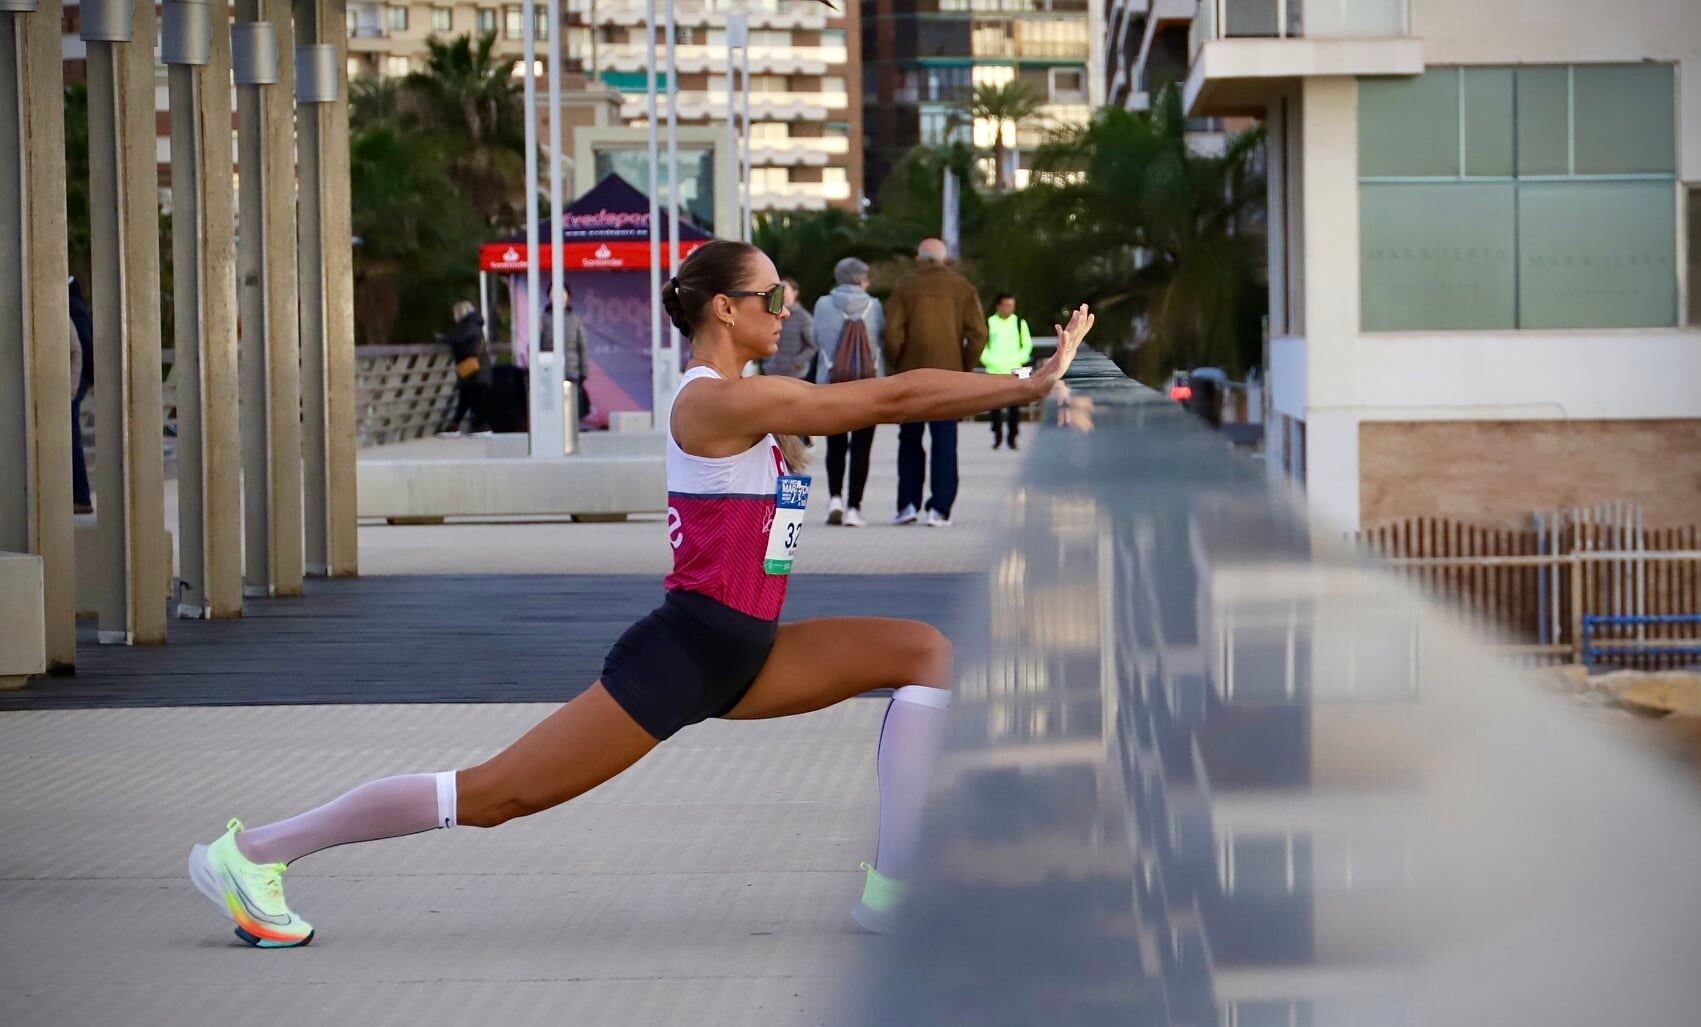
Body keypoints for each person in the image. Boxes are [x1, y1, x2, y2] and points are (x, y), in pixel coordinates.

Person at [185, 238, 1094, 945]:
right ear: (727, 309)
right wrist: (1026, 380)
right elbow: (887, 400)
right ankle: (257, 852)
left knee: (924, 653)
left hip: (751, 652)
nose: (786, 308)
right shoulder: (714, 402)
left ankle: (896, 892)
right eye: (773, 296)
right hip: (686, 653)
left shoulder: (741, 394)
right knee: (497, 794)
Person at [884, 238, 987, 527]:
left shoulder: (905, 287)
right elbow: (978, 333)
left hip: (911, 377)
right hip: (949, 379)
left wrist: (899, 362)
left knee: (909, 441)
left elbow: (892, 332)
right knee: (945, 442)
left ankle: (907, 505)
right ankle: (939, 509)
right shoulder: (963, 288)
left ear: (919, 260)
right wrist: (964, 365)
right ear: (945, 260)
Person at [812, 256, 886, 527]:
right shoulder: (874, 306)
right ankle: (855, 507)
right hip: (868, 386)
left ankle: (834, 499)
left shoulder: (822, 304)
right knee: (862, 448)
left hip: (832, 385)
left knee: (835, 445)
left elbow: (814, 337)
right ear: (861, 280)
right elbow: (880, 340)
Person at [981, 292, 1034, 450]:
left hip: (1015, 371)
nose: (1009, 308)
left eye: (1012, 305)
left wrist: (1020, 358)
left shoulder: (1019, 323)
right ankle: (997, 435)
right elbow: (982, 346)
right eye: (1006, 305)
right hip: (994, 370)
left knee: (1014, 408)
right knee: (995, 407)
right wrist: (989, 360)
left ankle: (1013, 437)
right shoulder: (990, 323)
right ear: (999, 306)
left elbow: (1027, 345)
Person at [540, 283, 591, 428]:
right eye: (553, 292)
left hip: (571, 370)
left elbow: (582, 347)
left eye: (562, 293)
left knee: (571, 406)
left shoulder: (574, 319)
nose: (558, 296)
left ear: (568, 296)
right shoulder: (543, 318)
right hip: (548, 371)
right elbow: (537, 344)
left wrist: (584, 371)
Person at [444, 300, 493, 434]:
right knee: (469, 398)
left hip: (475, 371)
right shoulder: (476, 325)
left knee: (470, 398)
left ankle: (475, 426)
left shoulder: (467, 327)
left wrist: (441, 338)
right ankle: (463, 425)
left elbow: (456, 339)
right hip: (479, 370)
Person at [68, 278, 94, 514]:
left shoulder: (71, 304)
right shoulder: (75, 302)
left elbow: (81, 348)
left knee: (71, 436)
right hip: (77, 378)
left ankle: (81, 497)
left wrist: (74, 388)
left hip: (75, 380)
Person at [764, 277, 817, 382]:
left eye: (785, 289)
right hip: (772, 373)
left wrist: (797, 362)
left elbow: (813, 345)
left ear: (795, 292)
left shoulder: (804, 317)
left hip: (795, 376)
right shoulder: (772, 315)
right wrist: (767, 362)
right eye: (779, 290)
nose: (782, 293)